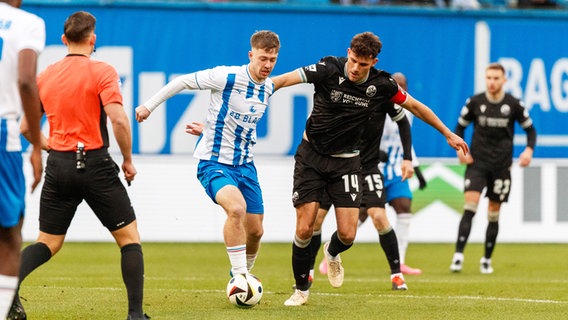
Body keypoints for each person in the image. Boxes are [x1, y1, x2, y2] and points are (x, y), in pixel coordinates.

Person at [272, 31, 469, 306]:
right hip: (311, 158)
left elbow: (415, 107)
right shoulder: (328, 68)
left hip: (348, 163)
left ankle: (332, 251)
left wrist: (448, 133)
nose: (355, 68)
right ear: (348, 53)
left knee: (348, 235)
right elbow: (284, 79)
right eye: (352, 60)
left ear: (373, 61)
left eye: (362, 64)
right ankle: (301, 289)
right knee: (305, 228)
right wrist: (263, 87)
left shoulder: (383, 84)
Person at [11, 11, 149, 320]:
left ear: (63, 40)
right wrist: (127, 159)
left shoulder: (46, 75)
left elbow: (25, 128)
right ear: (93, 39)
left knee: (48, 242)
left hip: (58, 165)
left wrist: (55, 146)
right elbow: (118, 119)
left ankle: (6, 292)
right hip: (96, 164)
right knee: (129, 239)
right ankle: (136, 315)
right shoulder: (102, 70)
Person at [135, 31, 280, 280]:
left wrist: (209, 128)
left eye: (273, 59)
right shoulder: (227, 76)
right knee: (236, 209)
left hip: (246, 165)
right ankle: (240, 277)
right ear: (251, 55)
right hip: (214, 163)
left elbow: (241, 122)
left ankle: (242, 273)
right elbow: (182, 81)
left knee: (255, 232)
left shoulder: (267, 87)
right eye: (263, 58)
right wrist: (149, 105)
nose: (267, 65)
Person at [309, 100, 414, 291]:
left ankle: (397, 275)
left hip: (368, 168)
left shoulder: (382, 92)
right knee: (316, 218)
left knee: (379, 216)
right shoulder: (339, 91)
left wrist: (407, 158)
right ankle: (307, 274)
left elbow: (403, 121)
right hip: (334, 166)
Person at [449, 62, 536, 274]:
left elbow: (531, 131)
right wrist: (461, 150)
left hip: (501, 166)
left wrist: (528, 150)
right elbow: (459, 126)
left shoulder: (514, 104)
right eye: (489, 77)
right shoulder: (475, 102)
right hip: (477, 164)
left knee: (493, 213)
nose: (492, 82)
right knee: (470, 206)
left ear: (504, 80)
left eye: (496, 78)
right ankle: (458, 256)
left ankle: (486, 259)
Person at [0, 0, 44, 318]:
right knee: (10, 232)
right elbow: (27, 80)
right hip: (4, 130)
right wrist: (38, 145)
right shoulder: (26, 22)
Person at [379, 72, 427, 275]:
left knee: (405, 209)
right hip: (375, 168)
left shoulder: (408, 112)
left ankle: (400, 261)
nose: (399, 88)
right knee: (362, 215)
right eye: (395, 84)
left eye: (403, 85)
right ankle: (333, 253)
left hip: (398, 169)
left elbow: (405, 142)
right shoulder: (378, 106)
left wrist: (417, 169)